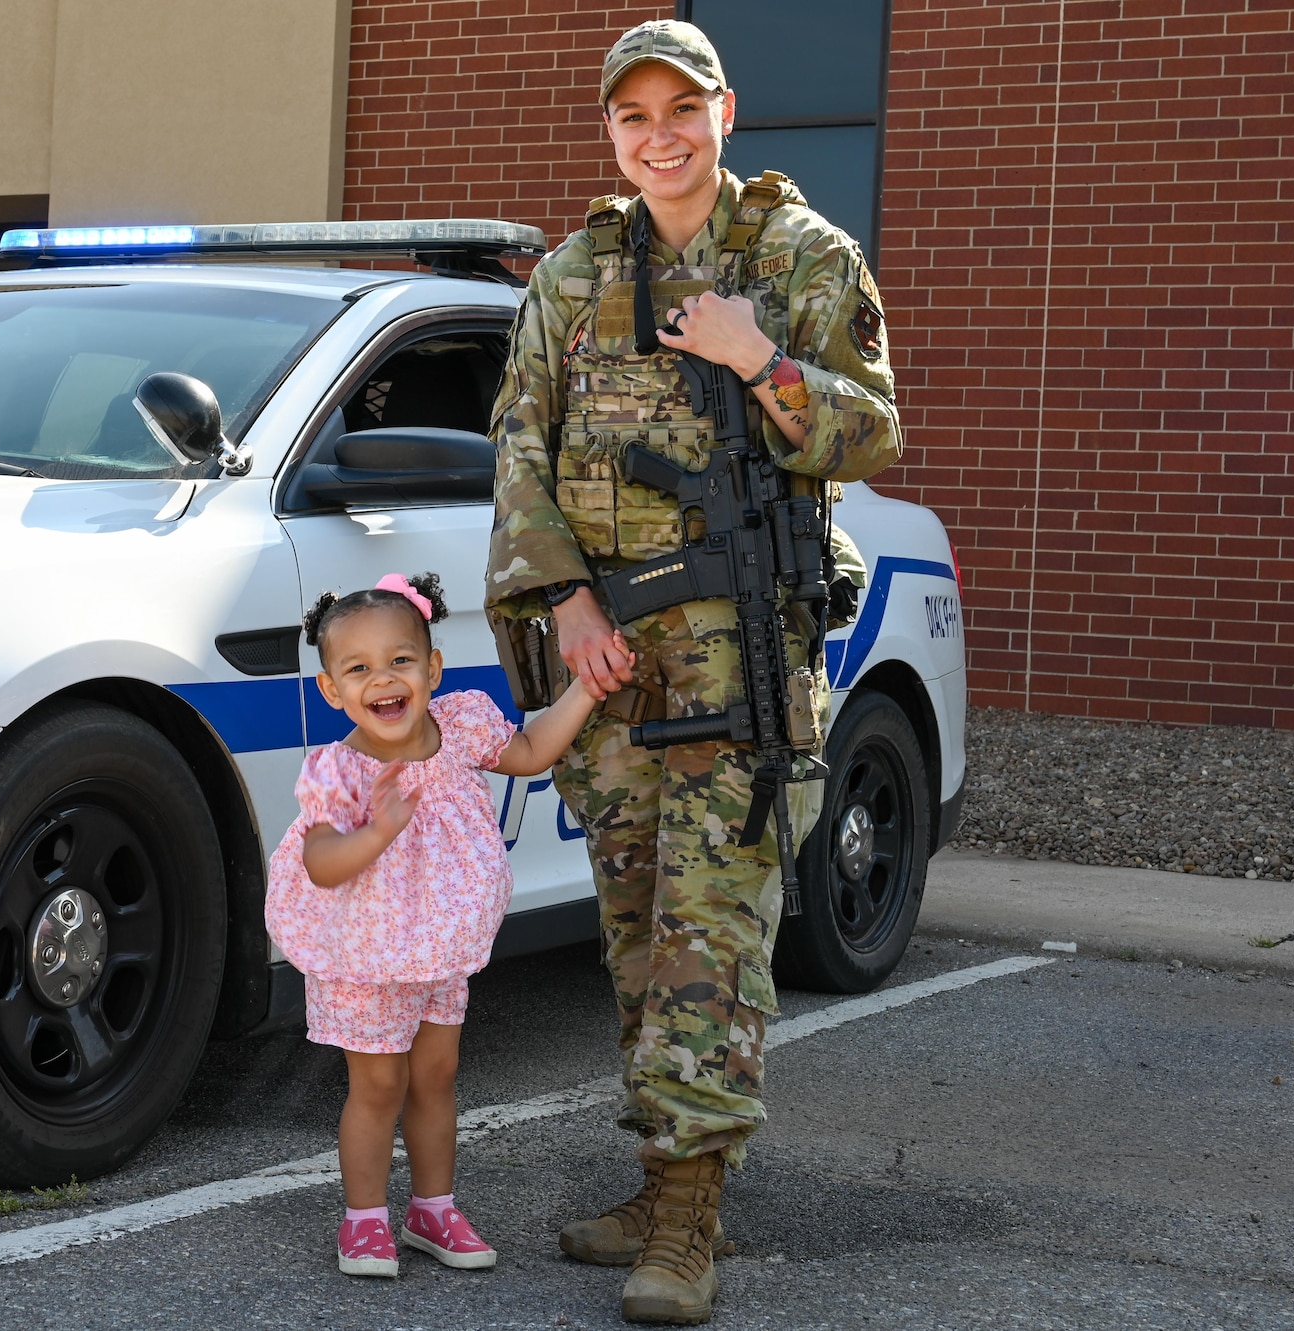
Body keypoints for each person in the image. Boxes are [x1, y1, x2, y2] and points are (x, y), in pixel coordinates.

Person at [484, 18, 903, 1325]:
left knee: (710, 937)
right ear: (611, 131)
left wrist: (757, 357)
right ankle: (663, 1173)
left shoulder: (800, 257)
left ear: (726, 111)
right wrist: (566, 595)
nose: (655, 135)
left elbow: (875, 429)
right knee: (630, 930)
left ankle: (687, 1225)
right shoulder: (573, 273)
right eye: (631, 116)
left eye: (679, 109)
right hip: (611, 661)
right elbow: (520, 441)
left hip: (743, 657)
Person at [266, 572, 628, 1279]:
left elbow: (529, 752)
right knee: (378, 1086)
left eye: (401, 660)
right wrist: (375, 832)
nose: (383, 680)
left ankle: (433, 1207)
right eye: (359, 668)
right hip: (365, 958)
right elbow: (321, 862)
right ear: (332, 689)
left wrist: (586, 686)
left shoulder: (459, 727)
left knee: (437, 1075)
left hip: (439, 950)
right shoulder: (339, 770)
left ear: (432, 667)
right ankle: (364, 1219)